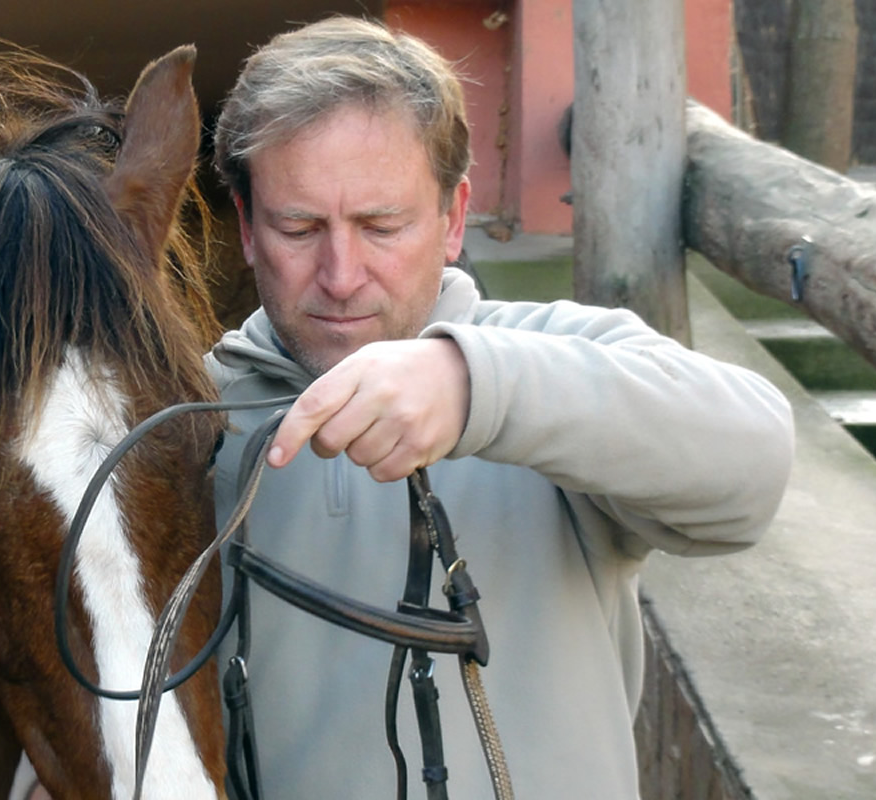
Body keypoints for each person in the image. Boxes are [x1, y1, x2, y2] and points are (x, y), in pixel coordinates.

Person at [203, 14, 793, 799]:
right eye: (299, 226)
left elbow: (755, 469)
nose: (341, 275)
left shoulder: (551, 353)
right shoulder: (185, 419)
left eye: (383, 225)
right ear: (246, 228)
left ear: (453, 219)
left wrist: (477, 387)